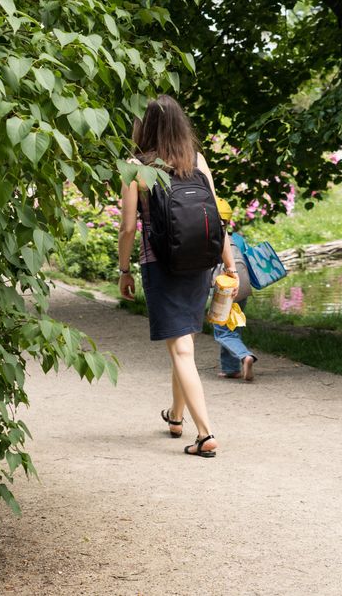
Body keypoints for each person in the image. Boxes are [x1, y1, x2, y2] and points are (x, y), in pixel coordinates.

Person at [117, 96, 237, 458]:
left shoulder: (135, 166)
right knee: (182, 342)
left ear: (144, 126)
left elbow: (126, 228)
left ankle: (205, 434)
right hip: (200, 261)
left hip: (161, 263)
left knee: (181, 348)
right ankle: (176, 416)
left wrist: (123, 271)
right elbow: (218, 218)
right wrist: (228, 264)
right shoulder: (197, 161)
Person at [214, 198, 257, 381]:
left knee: (222, 330)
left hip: (224, 288)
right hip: (242, 286)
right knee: (234, 325)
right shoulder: (237, 239)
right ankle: (231, 369)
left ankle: (245, 356)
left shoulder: (211, 240)